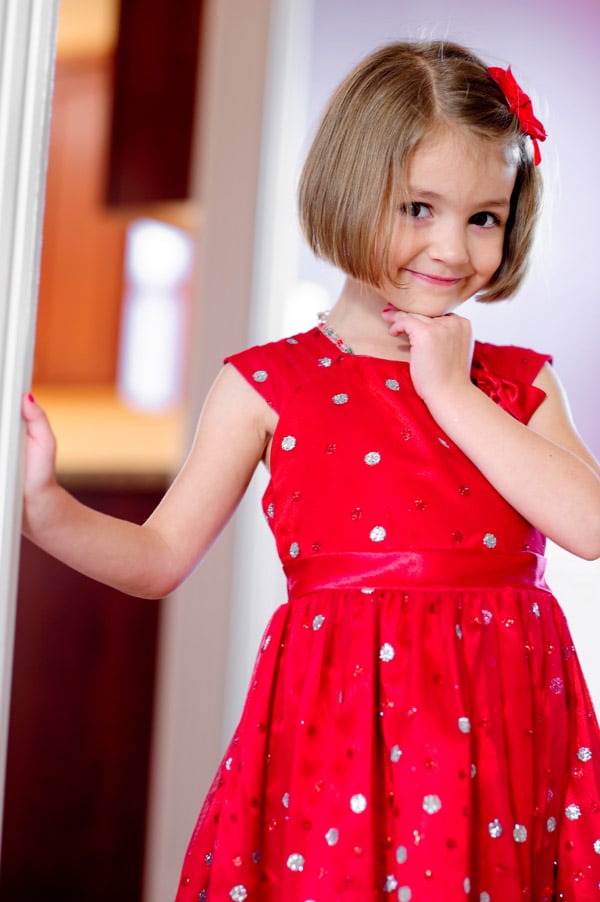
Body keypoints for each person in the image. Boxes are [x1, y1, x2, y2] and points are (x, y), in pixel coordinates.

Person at [22, 39, 600, 901]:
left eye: (484, 217)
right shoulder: (268, 383)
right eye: (417, 207)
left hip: (502, 745)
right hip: (341, 749)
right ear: (349, 188)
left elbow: (589, 527)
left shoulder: (516, 383)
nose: (450, 246)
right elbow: (157, 558)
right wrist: (40, 506)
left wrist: (449, 391)